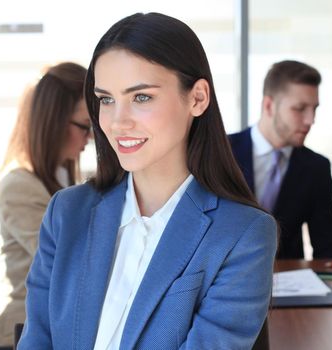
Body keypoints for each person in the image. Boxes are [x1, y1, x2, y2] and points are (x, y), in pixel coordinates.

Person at [17, 12, 277, 349]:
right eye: (106, 99)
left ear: (197, 98)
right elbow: (37, 339)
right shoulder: (66, 214)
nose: (117, 122)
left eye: (141, 97)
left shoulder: (241, 235)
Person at [0, 62, 92, 344]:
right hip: (20, 325)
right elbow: (65, 263)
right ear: (54, 122)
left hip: (46, 315)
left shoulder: (60, 173)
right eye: (84, 126)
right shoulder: (19, 185)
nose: (89, 138)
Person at [229, 60, 332, 259]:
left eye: (314, 109)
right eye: (300, 109)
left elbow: (328, 251)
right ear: (269, 106)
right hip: (223, 281)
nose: (310, 120)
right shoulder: (222, 153)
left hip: (289, 281)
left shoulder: (317, 168)